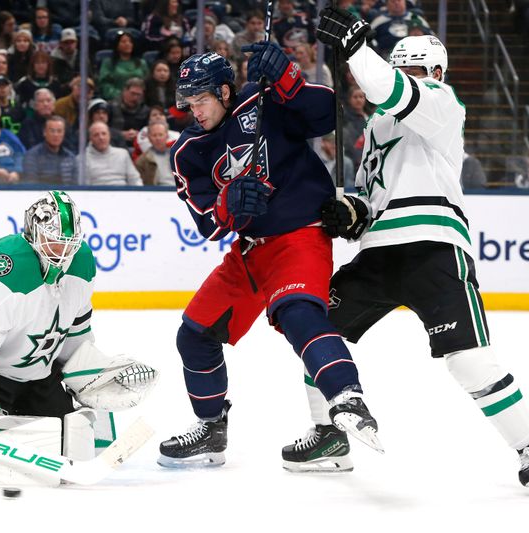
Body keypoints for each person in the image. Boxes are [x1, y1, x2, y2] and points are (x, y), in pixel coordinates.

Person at [296, 7, 529, 494]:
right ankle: (330, 437)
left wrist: (356, 49)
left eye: (413, 72)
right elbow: (372, 195)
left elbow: (387, 89)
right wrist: (351, 214)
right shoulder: (376, 128)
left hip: (434, 248)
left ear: (434, 74)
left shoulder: (441, 102)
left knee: (469, 361)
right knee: (317, 330)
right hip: (378, 252)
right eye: (401, 70)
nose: (405, 79)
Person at [157, 48, 382, 468]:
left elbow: (326, 116)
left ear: (225, 91)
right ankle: (211, 429)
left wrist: (288, 79)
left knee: (297, 313)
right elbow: (208, 223)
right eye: (188, 102)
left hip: (300, 236)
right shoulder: (188, 151)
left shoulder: (262, 100)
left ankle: (347, 398)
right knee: (194, 334)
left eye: (201, 99)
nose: (194, 110)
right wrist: (229, 202)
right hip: (249, 253)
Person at [0, 190, 156, 432]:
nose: (62, 253)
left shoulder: (81, 263)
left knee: (75, 441)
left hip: (43, 380)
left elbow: (75, 335)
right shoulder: (13, 266)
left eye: (69, 245)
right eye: (53, 242)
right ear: (33, 233)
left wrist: (87, 377)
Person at [23, 115, 77, 185]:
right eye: (52, 131)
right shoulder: (32, 156)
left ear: (64, 133)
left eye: (59, 131)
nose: (56, 135)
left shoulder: (71, 157)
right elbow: (31, 185)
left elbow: (76, 186)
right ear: (44, 132)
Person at [85, 122, 142, 186]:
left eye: (104, 134)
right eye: (96, 135)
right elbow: (83, 188)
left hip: (123, 193)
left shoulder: (123, 154)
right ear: (90, 138)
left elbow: (135, 179)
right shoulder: (83, 159)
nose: (101, 137)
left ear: (109, 136)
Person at [134, 120, 174, 185]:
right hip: (155, 192)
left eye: (160, 135)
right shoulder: (142, 161)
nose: (158, 138)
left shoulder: (177, 156)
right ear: (149, 138)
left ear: (167, 136)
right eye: (154, 135)